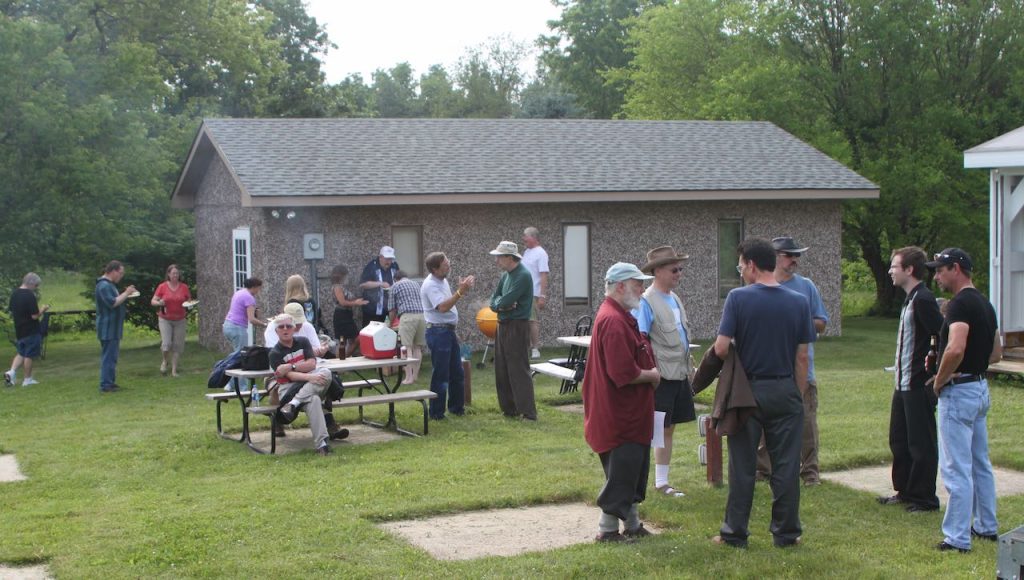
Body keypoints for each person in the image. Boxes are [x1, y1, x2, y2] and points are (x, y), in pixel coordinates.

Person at [711, 238, 814, 548]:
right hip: (785, 388)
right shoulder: (799, 301)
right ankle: (786, 534)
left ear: (752, 265)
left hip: (748, 391)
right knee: (785, 466)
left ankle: (734, 534)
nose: (741, 272)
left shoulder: (738, 299)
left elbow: (720, 347)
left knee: (742, 466)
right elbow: (802, 356)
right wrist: (796, 392)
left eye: (741, 266)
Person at [925, 248, 1002, 553]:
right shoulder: (984, 303)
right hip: (980, 388)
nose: (937, 276)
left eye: (940, 270)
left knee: (956, 467)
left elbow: (955, 348)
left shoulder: (959, 305)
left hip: (959, 392)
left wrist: (941, 380)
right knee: (980, 463)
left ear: (956, 268)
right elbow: (995, 352)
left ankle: (957, 538)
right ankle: (986, 525)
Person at [582, 262, 660, 543]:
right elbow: (622, 373)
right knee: (623, 472)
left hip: (627, 415)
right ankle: (608, 530)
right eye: (637, 284)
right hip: (620, 416)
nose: (641, 289)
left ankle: (633, 525)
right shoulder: (613, 320)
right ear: (619, 287)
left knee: (632, 471)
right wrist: (652, 375)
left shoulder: (619, 315)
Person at [756, 236, 829, 486]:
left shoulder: (806, 287)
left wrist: (794, 323)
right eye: (789, 255)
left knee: (806, 422)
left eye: (797, 255)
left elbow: (821, 322)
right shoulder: (760, 286)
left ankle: (810, 472)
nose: (795, 260)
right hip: (770, 369)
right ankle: (762, 471)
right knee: (765, 424)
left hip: (802, 369)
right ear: (775, 257)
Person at [877, 246, 942, 512]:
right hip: (901, 385)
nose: (890, 271)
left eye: (894, 266)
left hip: (917, 384)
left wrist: (934, 369)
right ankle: (905, 490)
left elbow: (942, 333)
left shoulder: (924, 299)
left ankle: (924, 498)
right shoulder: (910, 298)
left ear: (909, 270)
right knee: (900, 440)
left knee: (920, 443)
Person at [634, 246, 696, 498]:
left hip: (678, 373)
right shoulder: (647, 301)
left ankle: (662, 481)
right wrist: (651, 372)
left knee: (668, 428)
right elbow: (641, 339)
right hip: (662, 377)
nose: (679, 273)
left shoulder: (675, 298)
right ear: (657, 271)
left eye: (680, 269)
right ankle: (658, 483)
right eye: (674, 269)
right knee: (658, 429)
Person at [268, 314, 335, 456]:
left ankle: (294, 403)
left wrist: (290, 366)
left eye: (288, 326)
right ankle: (322, 445)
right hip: (288, 389)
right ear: (276, 331)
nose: (285, 329)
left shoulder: (303, 342)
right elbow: (291, 377)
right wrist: (310, 376)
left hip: (307, 385)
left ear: (294, 329)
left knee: (326, 372)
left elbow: (311, 363)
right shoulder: (274, 353)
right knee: (315, 400)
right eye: (281, 327)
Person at [420, 252, 474, 420]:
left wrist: (459, 291)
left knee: (457, 372)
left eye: (448, 263)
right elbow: (442, 307)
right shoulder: (430, 285)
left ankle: (457, 408)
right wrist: (460, 292)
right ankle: (436, 413)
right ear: (435, 269)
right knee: (441, 373)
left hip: (447, 331)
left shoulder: (442, 280)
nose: (449, 267)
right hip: (438, 332)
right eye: (445, 265)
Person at [489, 241, 537, 420]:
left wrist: (501, 305)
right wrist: (500, 307)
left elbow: (505, 301)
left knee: (518, 368)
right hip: (502, 324)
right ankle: (509, 408)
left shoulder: (522, 275)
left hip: (517, 325)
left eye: (499, 257)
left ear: (510, 257)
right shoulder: (505, 276)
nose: (497, 261)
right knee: (501, 368)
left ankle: (528, 412)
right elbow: (495, 301)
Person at [95, 261, 136, 393]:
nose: (121, 276)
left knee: (112, 356)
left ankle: (110, 382)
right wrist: (127, 292)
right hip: (108, 328)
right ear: (113, 271)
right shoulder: (103, 286)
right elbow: (112, 302)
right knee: (109, 356)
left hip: (113, 327)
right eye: (120, 273)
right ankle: (105, 385)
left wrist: (126, 294)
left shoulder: (109, 285)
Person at [5, 272, 49, 387]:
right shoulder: (29, 295)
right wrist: (43, 309)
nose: (36, 288)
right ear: (31, 283)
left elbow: (12, 310)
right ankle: (27, 379)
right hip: (31, 329)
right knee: (29, 355)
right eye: (36, 285)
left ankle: (11, 372)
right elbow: (34, 315)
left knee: (21, 352)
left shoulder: (15, 294)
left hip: (19, 329)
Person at [151, 264, 192, 377]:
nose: (175, 275)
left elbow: (189, 301)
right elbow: (153, 301)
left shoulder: (184, 287)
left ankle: (174, 370)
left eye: (177, 273)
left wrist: (189, 304)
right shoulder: (162, 286)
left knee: (178, 345)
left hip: (180, 319)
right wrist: (159, 303)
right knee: (166, 343)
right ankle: (165, 361)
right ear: (168, 274)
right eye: (173, 273)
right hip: (165, 318)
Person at [388, 270, 426, 384]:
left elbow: (392, 309)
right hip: (422, 316)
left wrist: (390, 323)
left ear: (395, 279)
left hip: (407, 317)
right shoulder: (416, 284)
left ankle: (408, 378)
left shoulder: (395, 286)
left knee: (406, 348)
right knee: (417, 348)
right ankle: (415, 376)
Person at [521, 227, 549, 359]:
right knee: (523, 321)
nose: (523, 239)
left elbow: (543, 275)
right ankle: (524, 348)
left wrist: (542, 295)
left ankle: (535, 349)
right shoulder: (526, 252)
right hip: (523, 292)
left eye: (525, 236)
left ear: (534, 238)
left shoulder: (541, 253)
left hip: (533, 293)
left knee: (532, 321)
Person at [264, 302, 329, 357]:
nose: (298, 325)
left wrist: (321, 351)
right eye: (295, 322)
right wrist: (308, 352)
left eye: (300, 321)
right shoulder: (274, 326)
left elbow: (316, 349)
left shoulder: (307, 326)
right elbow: (277, 354)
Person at [330, 265, 367, 358]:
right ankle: (340, 362)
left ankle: (344, 359)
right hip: (341, 316)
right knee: (345, 340)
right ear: (341, 275)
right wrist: (356, 302)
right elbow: (342, 302)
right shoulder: (337, 287)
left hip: (347, 315)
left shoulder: (341, 287)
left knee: (351, 340)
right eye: (345, 275)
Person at [223, 277, 265, 355]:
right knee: (241, 354)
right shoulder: (249, 298)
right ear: (254, 287)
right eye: (259, 288)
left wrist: (254, 311)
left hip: (227, 325)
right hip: (237, 328)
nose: (259, 291)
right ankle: (223, 366)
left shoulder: (239, 292)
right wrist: (264, 325)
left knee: (237, 352)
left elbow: (240, 309)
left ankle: (227, 365)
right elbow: (252, 319)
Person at [359, 246, 400, 327]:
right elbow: (362, 284)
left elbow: (400, 279)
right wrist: (380, 284)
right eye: (386, 259)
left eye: (390, 259)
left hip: (390, 310)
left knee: (389, 334)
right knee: (372, 335)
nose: (389, 262)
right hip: (373, 310)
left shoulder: (394, 265)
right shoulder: (371, 266)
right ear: (380, 257)